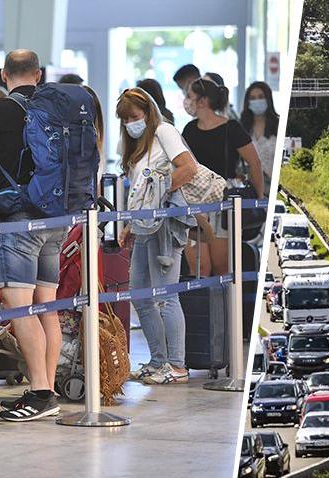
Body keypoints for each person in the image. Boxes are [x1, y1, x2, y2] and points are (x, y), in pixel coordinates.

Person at [0, 49, 64, 422]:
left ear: (5, 74)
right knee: (47, 307)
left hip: (18, 219)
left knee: (19, 306)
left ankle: (40, 392)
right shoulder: (58, 107)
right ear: (38, 74)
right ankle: (48, 387)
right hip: (57, 217)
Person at [116, 87, 197, 384]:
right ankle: (158, 360)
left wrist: (158, 196)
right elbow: (139, 192)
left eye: (135, 117)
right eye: (125, 119)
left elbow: (189, 167)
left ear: (148, 113)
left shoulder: (165, 131)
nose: (130, 124)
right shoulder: (136, 146)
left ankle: (176, 364)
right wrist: (129, 225)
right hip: (143, 225)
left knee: (166, 295)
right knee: (140, 294)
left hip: (165, 225)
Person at [182, 78, 264, 276]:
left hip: (223, 201)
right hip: (194, 200)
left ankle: (225, 307)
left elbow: (254, 163)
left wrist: (257, 200)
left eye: (190, 97)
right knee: (200, 268)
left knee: (221, 266)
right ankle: (200, 306)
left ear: (202, 101)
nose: (187, 101)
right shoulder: (189, 130)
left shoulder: (232, 128)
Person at [240, 81, 279, 191]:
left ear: (268, 99)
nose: (257, 101)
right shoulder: (242, 128)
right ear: (247, 102)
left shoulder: (278, 126)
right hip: (250, 190)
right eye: (252, 98)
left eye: (261, 97)